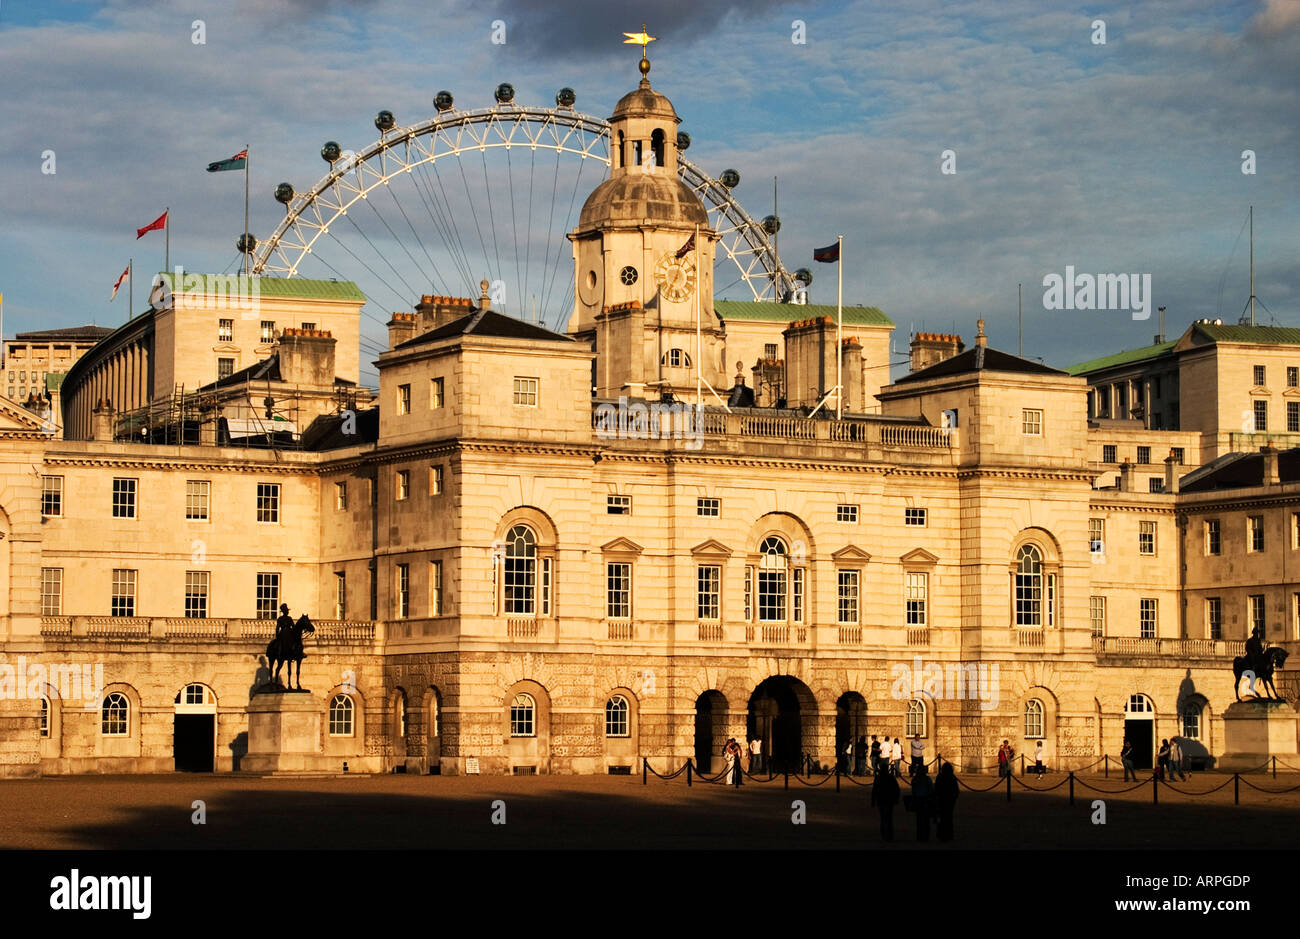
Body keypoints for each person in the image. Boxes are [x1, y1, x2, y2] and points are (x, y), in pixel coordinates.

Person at [871, 761, 901, 842]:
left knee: (883, 818)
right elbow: (896, 789)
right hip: (889, 800)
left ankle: (884, 835)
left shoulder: (878, 777)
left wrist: (873, 801)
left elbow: (875, 790)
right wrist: (896, 798)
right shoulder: (891, 777)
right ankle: (889, 835)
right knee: (889, 818)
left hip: (882, 800)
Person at [909, 765, 935, 842]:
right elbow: (931, 789)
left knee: (919, 819)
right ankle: (926, 836)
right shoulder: (927, 779)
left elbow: (913, 790)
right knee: (926, 820)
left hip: (918, 800)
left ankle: (919, 836)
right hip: (926, 800)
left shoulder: (915, 779)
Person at [935, 763, 959, 842]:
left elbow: (936, 788)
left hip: (941, 799)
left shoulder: (940, 777)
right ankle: (949, 835)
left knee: (941, 817)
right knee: (949, 817)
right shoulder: (952, 777)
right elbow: (956, 790)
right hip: (949, 800)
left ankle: (941, 834)